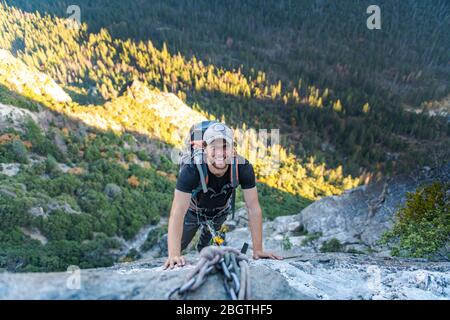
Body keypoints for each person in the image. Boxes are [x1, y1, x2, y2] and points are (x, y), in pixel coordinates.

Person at [163, 122, 281, 269]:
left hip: (220, 212)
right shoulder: (192, 169)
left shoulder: (243, 168)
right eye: (214, 147)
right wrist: (174, 254)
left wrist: (258, 250)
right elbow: (177, 213)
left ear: (233, 150)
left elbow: (253, 208)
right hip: (193, 212)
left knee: (207, 247)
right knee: (180, 245)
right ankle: (175, 254)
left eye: (225, 146)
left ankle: (203, 252)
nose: (220, 153)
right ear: (205, 149)